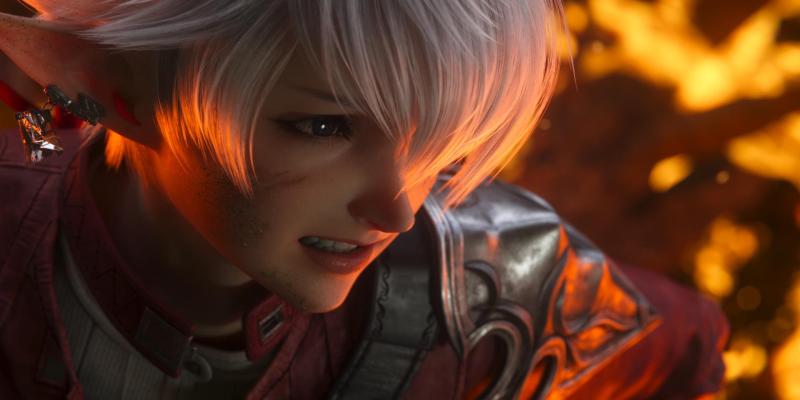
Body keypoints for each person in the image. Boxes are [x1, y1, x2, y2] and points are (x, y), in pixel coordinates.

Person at [0, 0, 728, 399]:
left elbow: (687, 356)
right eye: (324, 127)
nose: (397, 211)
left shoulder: (489, 287)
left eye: (440, 140)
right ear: (117, 92)